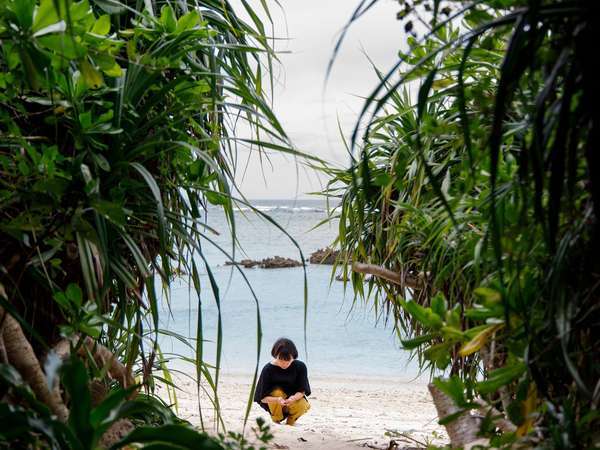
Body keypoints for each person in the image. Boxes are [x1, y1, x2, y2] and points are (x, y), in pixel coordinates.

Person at [254, 337, 311, 425]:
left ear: (293, 357)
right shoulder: (268, 369)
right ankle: (276, 420)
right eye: (280, 360)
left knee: (303, 405)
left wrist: (292, 398)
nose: (284, 364)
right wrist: (277, 400)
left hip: (292, 401)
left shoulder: (300, 367)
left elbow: (302, 391)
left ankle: (290, 421)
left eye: (288, 361)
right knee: (277, 392)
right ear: (275, 355)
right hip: (274, 403)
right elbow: (262, 398)